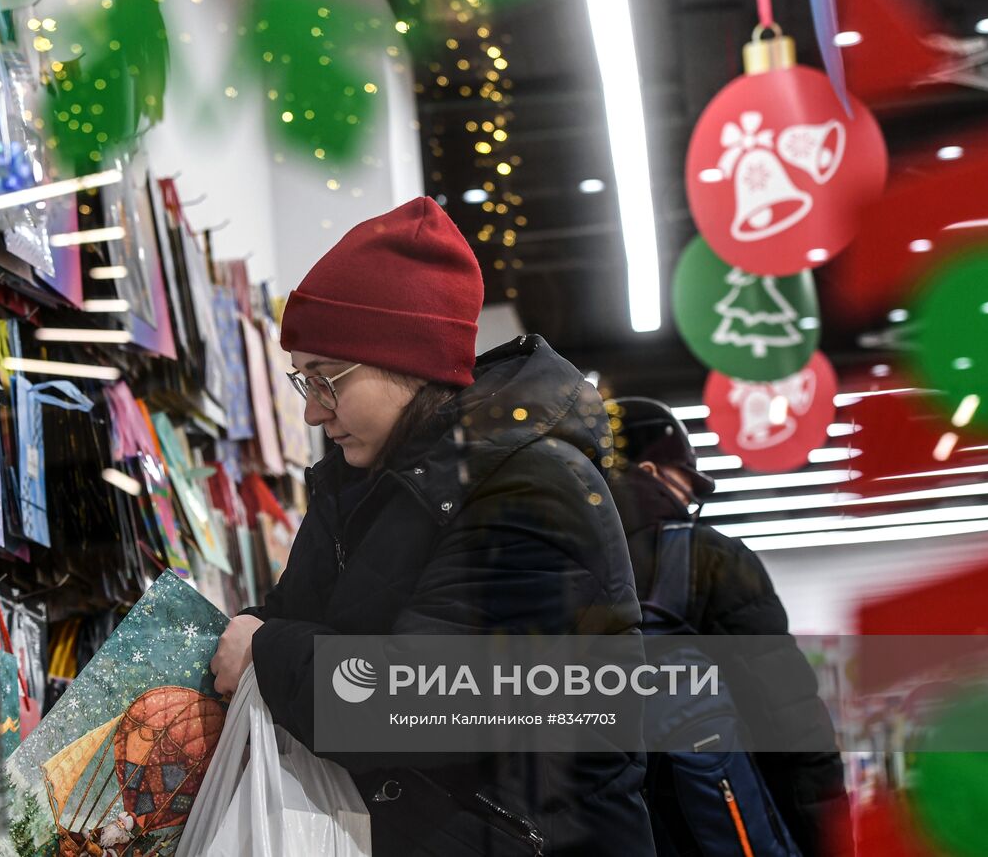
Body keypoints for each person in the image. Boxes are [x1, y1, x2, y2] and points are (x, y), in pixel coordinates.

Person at [210, 196, 656, 856]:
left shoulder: (536, 486)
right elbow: (301, 617)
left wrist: (266, 652)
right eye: (304, 384)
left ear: (408, 361)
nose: (312, 414)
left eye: (326, 380)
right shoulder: (367, 485)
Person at [604, 397, 852, 857]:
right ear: (652, 473)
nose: (691, 501)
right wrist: (828, 840)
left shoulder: (551, 574)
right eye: (685, 484)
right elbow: (792, 729)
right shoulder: (707, 558)